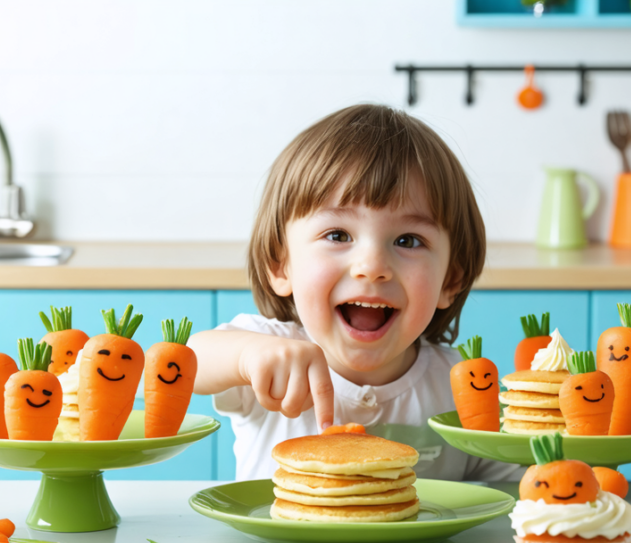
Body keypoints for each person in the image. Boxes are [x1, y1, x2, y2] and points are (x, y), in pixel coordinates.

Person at [188, 104, 516, 482]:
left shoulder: (462, 385)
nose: (372, 265)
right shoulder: (269, 352)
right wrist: (248, 356)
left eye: (408, 240)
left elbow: (510, 489)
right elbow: (183, 365)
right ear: (281, 265)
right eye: (338, 235)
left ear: (450, 280)